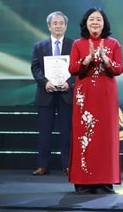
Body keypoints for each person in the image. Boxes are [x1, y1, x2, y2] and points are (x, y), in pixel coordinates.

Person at [67, 7, 123, 194]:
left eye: (99, 19)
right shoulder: (78, 44)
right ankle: (83, 182)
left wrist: (106, 59)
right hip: (85, 96)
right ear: (86, 22)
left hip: (106, 96)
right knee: (84, 135)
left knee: (105, 137)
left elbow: (119, 69)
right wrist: (87, 59)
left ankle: (105, 181)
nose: (95, 22)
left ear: (104, 23)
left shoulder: (113, 44)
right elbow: (72, 69)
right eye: (91, 19)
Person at [30, 11, 75, 176]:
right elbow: (35, 68)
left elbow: (78, 68)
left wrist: (69, 82)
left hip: (66, 94)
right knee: (44, 132)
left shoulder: (74, 45)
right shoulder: (39, 46)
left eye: (61, 23)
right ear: (49, 26)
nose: (58, 26)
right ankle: (42, 165)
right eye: (55, 23)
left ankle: (67, 165)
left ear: (66, 26)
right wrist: (45, 83)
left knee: (66, 132)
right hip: (46, 95)